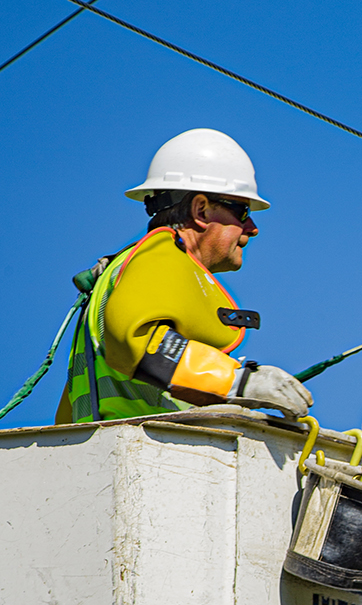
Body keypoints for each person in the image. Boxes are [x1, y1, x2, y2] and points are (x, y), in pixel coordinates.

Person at [57, 129, 313, 424]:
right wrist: (237, 381)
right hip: (152, 450)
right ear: (201, 210)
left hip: (108, 452)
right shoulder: (161, 255)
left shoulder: (124, 269)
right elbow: (139, 338)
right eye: (242, 211)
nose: (252, 227)